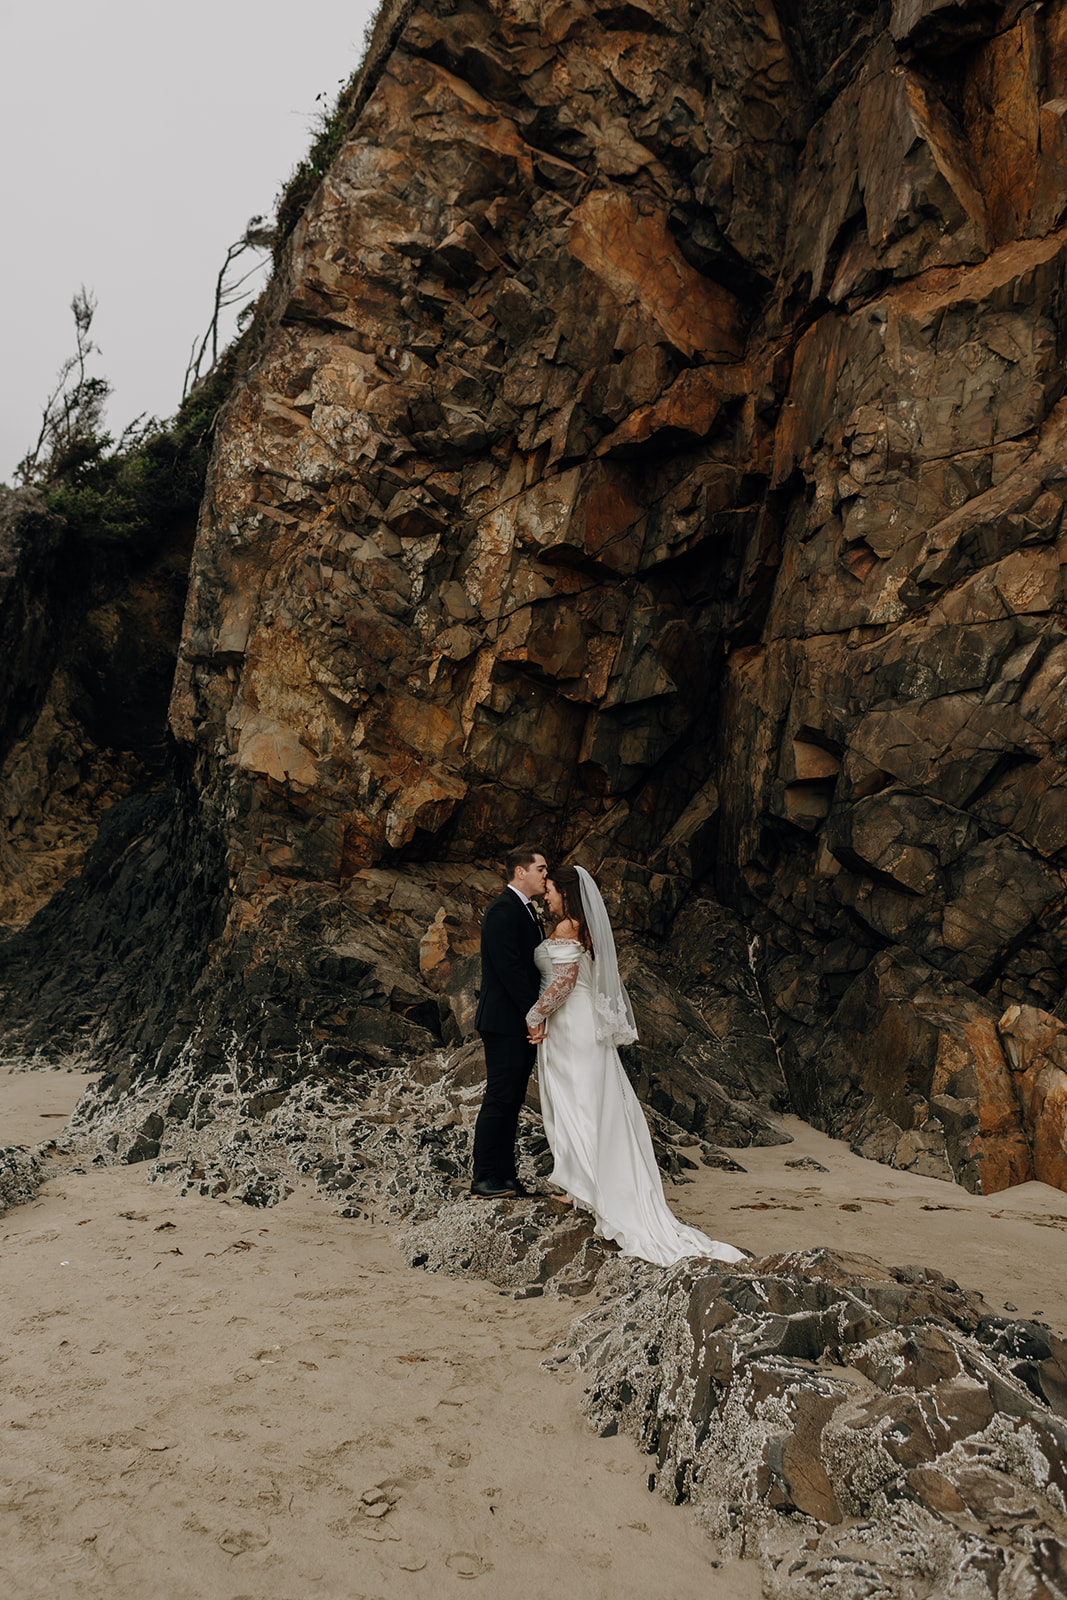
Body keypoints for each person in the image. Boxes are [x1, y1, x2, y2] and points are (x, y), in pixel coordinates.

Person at [526, 863, 747, 1268]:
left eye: (552, 890)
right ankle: (582, 1183)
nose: (548, 897)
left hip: (571, 1026)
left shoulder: (565, 928)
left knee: (578, 1102)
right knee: (593, 1102)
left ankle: (584, 1185)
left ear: (567, 893)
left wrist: (534, 1016)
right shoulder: (583, 927)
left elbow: (563, 983)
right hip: (582, 1026)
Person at [470, 844, 549, 1198]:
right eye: (541, 869)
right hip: (504, 1020)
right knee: (500, 1098)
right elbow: (512, 971)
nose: (545, 876)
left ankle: (505, 1176)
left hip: (515, 1019)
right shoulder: (503, 910)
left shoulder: (524, 910)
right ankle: (485, 1177)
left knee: (512, 1099)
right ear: (521, 872)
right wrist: (534, 1015)